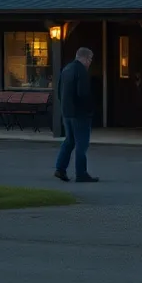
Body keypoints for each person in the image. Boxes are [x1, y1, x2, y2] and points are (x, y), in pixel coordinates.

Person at [54, 47, 99, 182]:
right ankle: (81, 173)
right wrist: (90, 108)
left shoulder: (66, 69)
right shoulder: (81, 71)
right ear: (84, 58)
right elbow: (83, 93)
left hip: (67, 112)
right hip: (80, 113)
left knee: (70, 140)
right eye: (90, 59)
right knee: (81, 144)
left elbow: (59, 91)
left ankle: (60, 168)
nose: (90, 62)